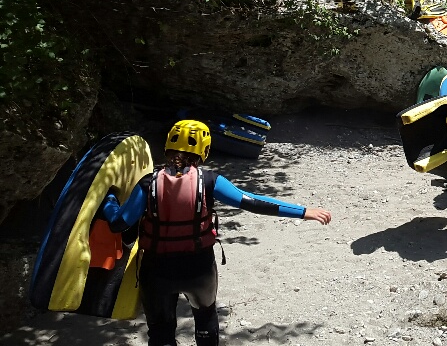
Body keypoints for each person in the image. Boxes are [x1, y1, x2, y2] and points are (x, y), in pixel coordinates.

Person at [100, 120, 332, 346]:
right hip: (199, 269)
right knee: (205, 322)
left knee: (161, 334)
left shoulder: (148, 183)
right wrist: (303, 211)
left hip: (157, 270)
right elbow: (251, 202)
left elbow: (119, 223)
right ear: (205, 150)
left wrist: (109, 198)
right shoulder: (210, 181)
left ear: (168, 147)